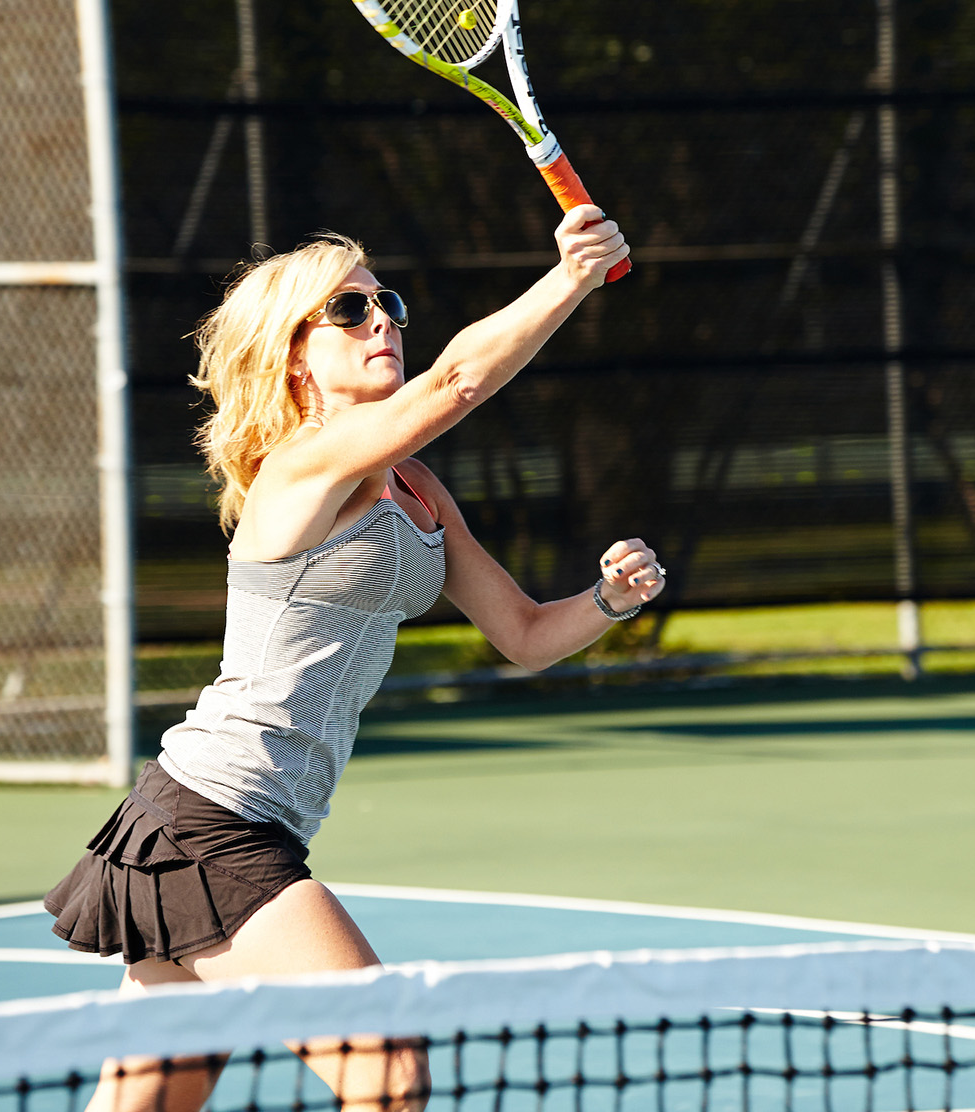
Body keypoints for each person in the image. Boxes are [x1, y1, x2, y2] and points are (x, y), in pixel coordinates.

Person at [44, 206, 665, 1112]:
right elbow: (456, 380)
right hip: (215, 817)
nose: (382, 321)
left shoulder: (415, 487)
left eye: (388, 303)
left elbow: (525, 636)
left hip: (227, 820)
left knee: (148, 1106)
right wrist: (570, 277)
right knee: (387, 1072)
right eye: (347, 310)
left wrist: (610, 599)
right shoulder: (299, 471)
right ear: (294, 354)